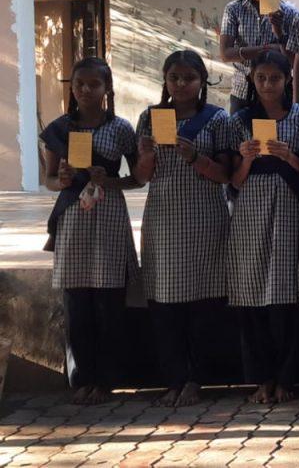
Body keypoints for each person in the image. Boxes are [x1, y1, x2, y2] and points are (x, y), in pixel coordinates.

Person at [135, 50, 233, 407]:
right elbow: (142, 177)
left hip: (205, 220)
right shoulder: (150, 117)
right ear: (165, 80)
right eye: (174, 77)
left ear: (202, 81)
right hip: (162, 219)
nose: (181, 84)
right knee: (164, 304)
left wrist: (195, 157)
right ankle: (173, 378)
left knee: (203, 304)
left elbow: (225, 175)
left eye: (188, 78)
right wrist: (146, 155)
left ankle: (196, 379)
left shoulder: (217, 119)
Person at [40, 57, 139, 405]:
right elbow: (49, 179)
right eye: (79, 84)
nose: (85, 90)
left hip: (108, 212)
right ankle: (81, 379)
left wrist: (108, 180)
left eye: (94, 85)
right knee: (77, 301)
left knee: (110, 300)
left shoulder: (122, 129)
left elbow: (138, 177)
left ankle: (108, 380)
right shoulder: (58, 128)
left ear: (107, 89)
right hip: (72, 217)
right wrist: (62, 180)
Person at [227, 50, 299, 404]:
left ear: (287, 80)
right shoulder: (240, 120)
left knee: (286, 295)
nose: (267, 85)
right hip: (251, 210)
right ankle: (262, 377)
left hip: (289, 207)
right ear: (251, 81)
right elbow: (234, 181)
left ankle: (287, 377)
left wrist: (288, 156)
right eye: (261, 78)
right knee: (252, 294)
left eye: (275, 78)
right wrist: (246, 159)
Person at [219, 0, 298, 113]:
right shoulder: (234, 9)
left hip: (279, 92)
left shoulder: (291, 14)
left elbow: (293, 59)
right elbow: (226, 53)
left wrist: (279, 32)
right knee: (243, 137)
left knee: (277, 136)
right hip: (243, 91)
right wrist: (268, 49)